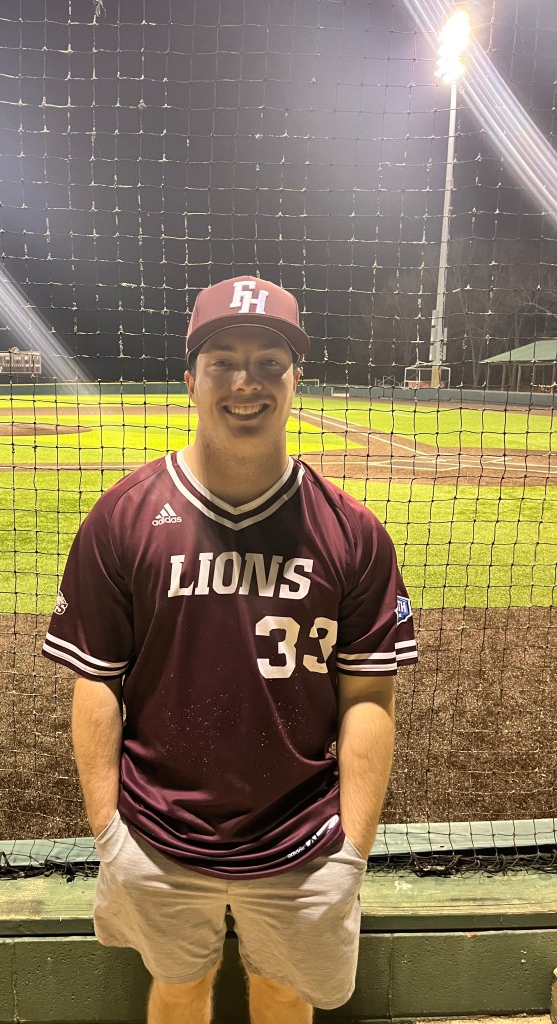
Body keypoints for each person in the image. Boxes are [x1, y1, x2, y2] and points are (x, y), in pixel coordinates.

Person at [42, 275, 418, 1024]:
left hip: (306, 837)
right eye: (224, 362)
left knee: (284, 992)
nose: (247, 382)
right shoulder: (123, 517)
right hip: (154, 832)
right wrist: (108, 831)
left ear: (295, 378)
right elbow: (97, 682)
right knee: (179, 987)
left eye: (269, 363)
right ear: (191, 380)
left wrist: (354, 847)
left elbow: (369, 695)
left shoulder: (353, 532)